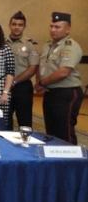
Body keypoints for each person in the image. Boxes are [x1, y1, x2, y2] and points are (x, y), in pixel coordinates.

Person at [36, 12, 84, 144]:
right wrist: (40, 83)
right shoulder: (47, 45)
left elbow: (64, 72)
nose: (53, 30)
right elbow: (42, 66)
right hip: (51, 92)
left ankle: (72, 162)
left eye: (57, 27)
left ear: (68, 29)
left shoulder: (70, 46)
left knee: (64, 131)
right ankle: (55, 160)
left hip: (67, 93)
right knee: (52, 130)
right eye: (51, 26)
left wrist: (42, 82)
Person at [7, 11, 39, 129]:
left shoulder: (30, 44)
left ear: (24, 27)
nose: (17, 27)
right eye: (14, 24)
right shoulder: (1, 43)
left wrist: (14, 81)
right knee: (5, 121)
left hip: (22, 87)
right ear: (10, 25)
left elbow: (33, 67)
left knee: (24, 121)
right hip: (4, 87)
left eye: (20, 25)